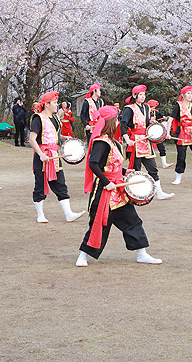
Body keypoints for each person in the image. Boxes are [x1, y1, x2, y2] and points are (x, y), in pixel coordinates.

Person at [76, 106, 162, 267]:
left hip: (118, 190)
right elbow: (94, 164)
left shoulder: (112, 141)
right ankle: (83, 256)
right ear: (110, 121)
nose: (117, 122)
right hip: (105, 191)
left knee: (133, 221)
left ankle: (142, 253)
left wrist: (125, 171)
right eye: (116, 119)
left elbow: (112, 165)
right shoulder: (101, 142)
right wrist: (107, 182)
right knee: (99, 224)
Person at [29, 91, 86, 223]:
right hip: (42, 157)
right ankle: (40, 215)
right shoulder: (38, 118)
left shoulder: (55, 118)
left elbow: (54, 135)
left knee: (61, 185)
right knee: (40, 186)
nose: (57, 105)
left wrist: (64, 138)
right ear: (47, 104)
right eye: (54, 103)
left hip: (54, 157)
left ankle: (68, 214)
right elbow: (32, 139)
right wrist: (41, 154)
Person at [120, 85, 174, 200]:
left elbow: (147, 121)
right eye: (140, 94)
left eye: (144, 95)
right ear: (134, 96)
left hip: (146, 140)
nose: (143, 97)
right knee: (136, 170)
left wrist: (153, 124)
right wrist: (127, 139)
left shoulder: (147, 108)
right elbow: (123, 123)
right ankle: (135, 194)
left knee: (153, 168)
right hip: (135, 141)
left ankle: (159, 192)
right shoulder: (129, 108)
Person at [171, 86, 192, 185]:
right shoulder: (178, 105)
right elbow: (171, 119)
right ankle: (178, 176)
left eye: (191, 93)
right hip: (182, 133)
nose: (190, 95)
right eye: (188, 93)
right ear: (183, 95)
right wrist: (167, 133)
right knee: (181, 156)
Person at [147, 99, 172, 168]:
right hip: (147, 133)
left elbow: (161, 116)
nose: (153, 109)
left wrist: (163, 117)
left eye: (154, 107)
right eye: (152, 107)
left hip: (155, 132)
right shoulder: (144, 112)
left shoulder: (156, 112)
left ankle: (164, 163)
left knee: (161, 147)